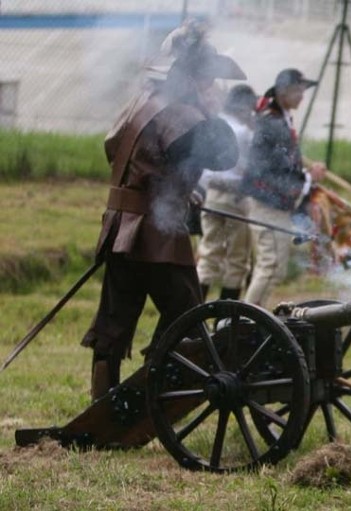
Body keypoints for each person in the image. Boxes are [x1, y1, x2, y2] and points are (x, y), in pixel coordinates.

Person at [81, 21, 245, 401]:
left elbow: (122, 153)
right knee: (187, 314)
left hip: (122, 223)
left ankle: (104, 400)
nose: (214, 87)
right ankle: (153, 387)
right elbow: (224, 156)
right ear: (195, 77)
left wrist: (172, 191)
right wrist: (212, 112)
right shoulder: (182, 114)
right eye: (209, 79)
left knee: (116, 319)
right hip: (155, 234)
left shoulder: (141, 103)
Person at [241, 68, 327, 306]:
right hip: (266, 204)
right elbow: (272, 171)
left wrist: (306, 177)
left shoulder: (280, 120)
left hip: (274, 203)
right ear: (284, 92)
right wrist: (308, 179)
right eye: (298, 90)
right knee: (270, 268)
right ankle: (246, 323)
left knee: (273, 269)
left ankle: (252, 321)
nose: (301, 95)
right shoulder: (272, 123)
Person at [196, 84, 258, 301]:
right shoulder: (245, 133)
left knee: (209, 255)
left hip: (211, 196)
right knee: (237, 261)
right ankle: (225, 322)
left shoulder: (214, 125)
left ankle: (193, 315)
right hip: (236, 199)